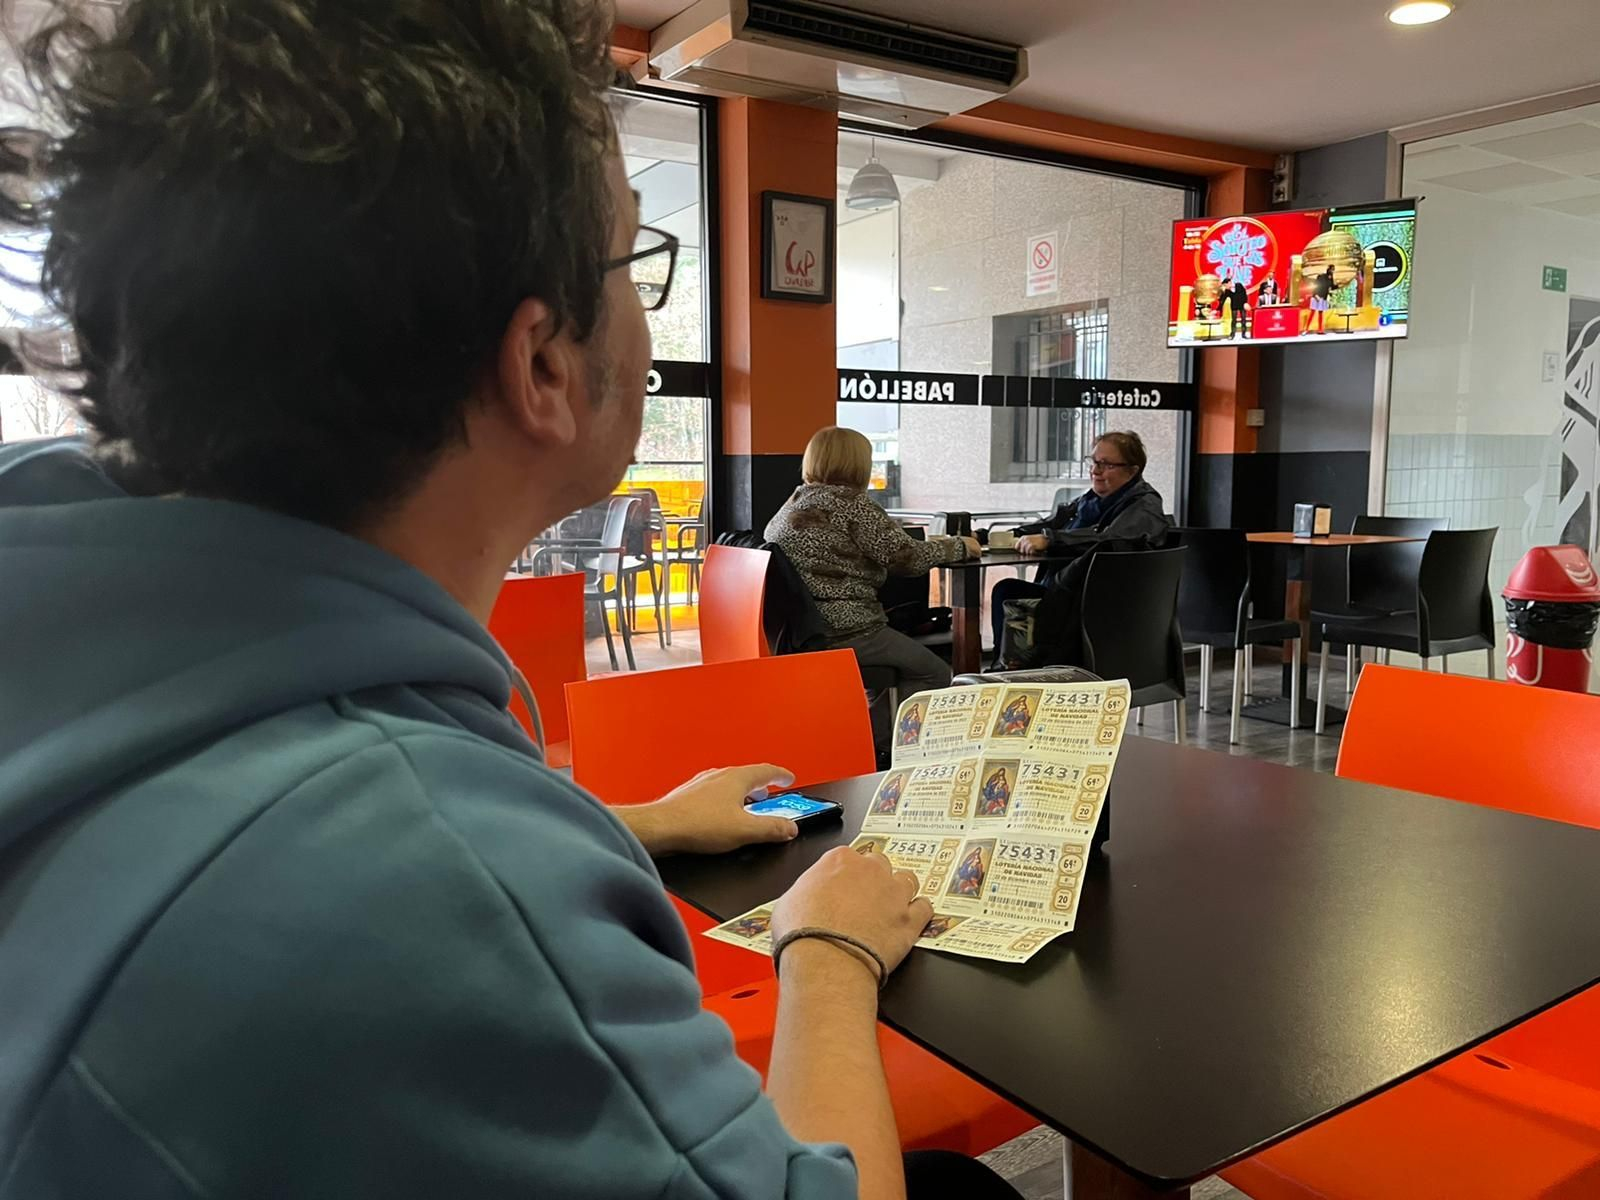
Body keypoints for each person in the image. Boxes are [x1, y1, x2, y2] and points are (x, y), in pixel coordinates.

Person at [0, 3, 1022, 1198]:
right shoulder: (434, 879)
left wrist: (628, 820)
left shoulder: (71, 608)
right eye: (634, 261)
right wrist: (830, 951)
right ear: (541, 364)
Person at [766, 426, 980, 751]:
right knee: (933, 672)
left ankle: (863, 735)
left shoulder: (793, 502)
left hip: (801, 632)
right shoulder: (851, 505)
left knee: (898, 666)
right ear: (857, 464)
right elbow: (908, 558)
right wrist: (961, 546)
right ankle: (868, 745)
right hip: (849, 631)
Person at [988, 431, 1172, 659]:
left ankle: (1015, 671)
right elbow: (1053, 522)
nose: (1095, 471)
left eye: (1106, 465)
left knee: (1008, 592)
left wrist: (1051, 540)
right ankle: (1010, 670)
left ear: (1132, 471)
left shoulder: (1145, 505)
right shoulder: (1091, 501)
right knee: (1008, 591)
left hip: (1095, 609)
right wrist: (1001, 536)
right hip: (1069, 597)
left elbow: (1111, 540)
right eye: (1093, 461)